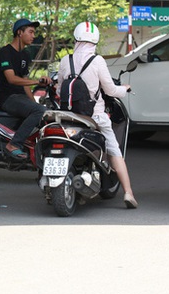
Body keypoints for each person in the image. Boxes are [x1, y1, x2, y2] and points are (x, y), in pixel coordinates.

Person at [56, 21, 138, 209]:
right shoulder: (97, 61)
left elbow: (60, 89)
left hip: (69, 116)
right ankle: (128, 192)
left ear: (76, 38)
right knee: (114, 151)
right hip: (95, 117)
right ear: (95, 40)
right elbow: (110, 90)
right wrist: (124, 89)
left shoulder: (65, 61)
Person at [0, 18, 49, 160]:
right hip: (8, 98)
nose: (33, 36)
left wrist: (35, 105)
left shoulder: (25, 55)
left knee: (42, 112)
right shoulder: (5, 53)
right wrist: (37, 81)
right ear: (19, 32)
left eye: (34, 32)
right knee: (39, 111)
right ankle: (14, 144)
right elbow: (11, 79)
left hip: (20, 98)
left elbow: (25, 84)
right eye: (30, 32)